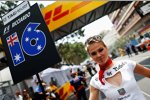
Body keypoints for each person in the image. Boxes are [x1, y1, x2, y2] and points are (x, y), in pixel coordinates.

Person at [84, 35, 150, 100]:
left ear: (106, 48)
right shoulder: (95, 81)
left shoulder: (127, 64)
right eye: (93, 53)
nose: (98, 55)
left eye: (100, 50)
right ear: (91, 56)